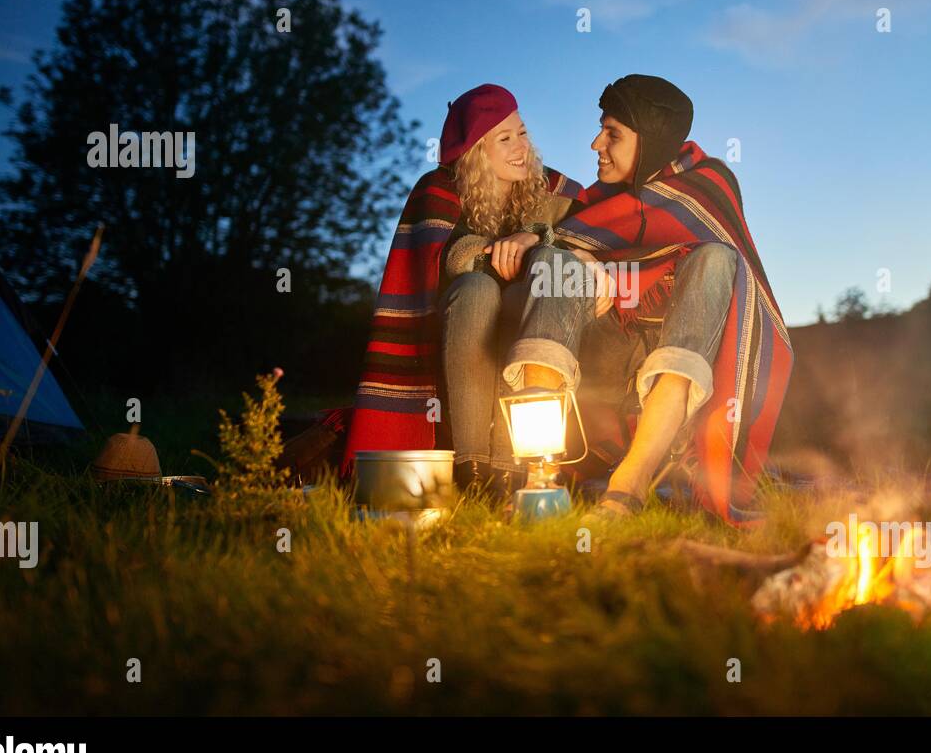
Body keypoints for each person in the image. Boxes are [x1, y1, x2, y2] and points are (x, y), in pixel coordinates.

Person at [501, 75, 794, 524]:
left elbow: (741, 285)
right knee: (556, 264)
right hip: (599, 370)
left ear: (651, 141)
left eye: (613, 134)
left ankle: (629, 485)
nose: (596, 144)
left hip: (685, 374)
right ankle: (540, 479)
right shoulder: (592, 202)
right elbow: (564, 240)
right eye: (601, 129)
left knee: (717, 258)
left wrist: (599, 261)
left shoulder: (707, 185)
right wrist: (568, 253)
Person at [336, 84, 583, 498]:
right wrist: (498, 256)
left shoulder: (553, 190)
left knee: (521, 296)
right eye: (504, 139)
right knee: (477, 290)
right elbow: (451, 260)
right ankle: (473, 470)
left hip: (525, 319)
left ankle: (510, 470)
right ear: (475, 153)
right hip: (452, 329)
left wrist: (534, 235)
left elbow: (587, 238)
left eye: (522, 133)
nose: (521, 147)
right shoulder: (440, 190)